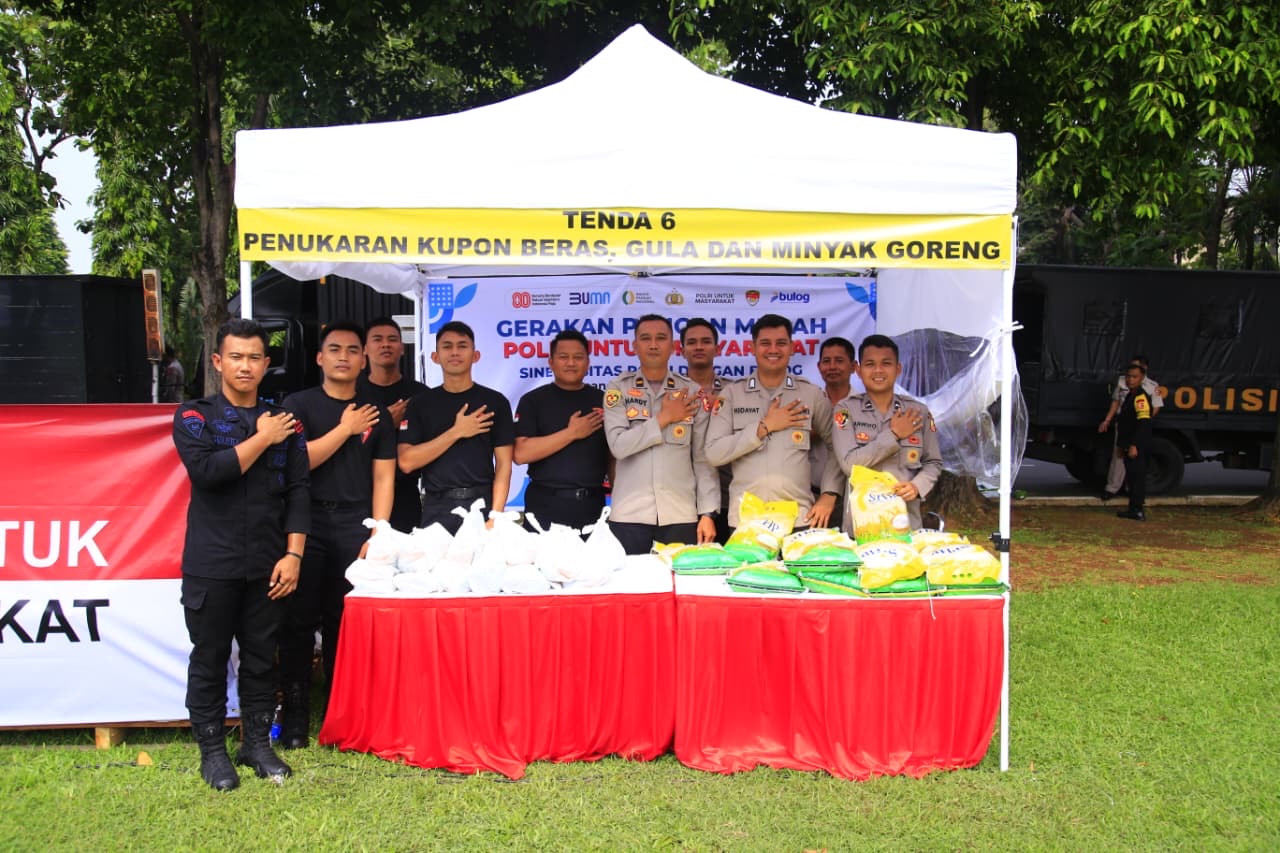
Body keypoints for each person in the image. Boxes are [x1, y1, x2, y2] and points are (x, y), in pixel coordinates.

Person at [171, 318, 309, 790]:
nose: (245, 366)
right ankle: (212, 752)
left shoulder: (286, 422)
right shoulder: (195, 416)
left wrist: (294, 555)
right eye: (235, 357)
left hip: (268, 562)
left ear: (266, 364)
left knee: (260, 658)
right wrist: (263, 438)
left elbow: (299, 490)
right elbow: (209, 472)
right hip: (212, 562)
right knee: (210, 657)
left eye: (254, 358)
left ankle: (257, 744)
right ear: (218, 361)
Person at [278, 321, 396, 749]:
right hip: (305, 524)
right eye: (334, 349)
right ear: (319, 358)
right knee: (297, 621)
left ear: (363, 360)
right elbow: (297, 463)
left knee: (342, 622)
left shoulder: (376, 411)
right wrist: (345, 429)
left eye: (351, 350)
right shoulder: (298, 405)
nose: (343, 357)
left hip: (354, 524)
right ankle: (295, 717)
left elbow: (384, 477)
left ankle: (339, 715)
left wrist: (379, 530)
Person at [706, 314, 843, 530]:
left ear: (792, 347)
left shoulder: (811, 394)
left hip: (798, 518)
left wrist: (829, 493)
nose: (773, 349)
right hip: (746, 520)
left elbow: (839, 446)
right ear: (752, 348)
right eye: (765, 343)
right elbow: (714, 453)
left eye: (781, 343)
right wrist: (763, 428)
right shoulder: (732, 394)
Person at [604, 314, 718, 555]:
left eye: (661, 338)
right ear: (634, 346)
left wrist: (707, 513)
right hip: (630, 514)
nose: (653, 345)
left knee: (680, 579)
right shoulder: (618, 388)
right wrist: (664, 418)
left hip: (680, 514)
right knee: (630, 580)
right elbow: (618, 446)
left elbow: (703, 459)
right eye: (646, 338)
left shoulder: (692, 392)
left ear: (674, 346)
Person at [398, 321, 514, 534]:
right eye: (447, 346)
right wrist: (457, 432)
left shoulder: (495, 402)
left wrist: (495, 515)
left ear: (475, 355)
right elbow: (406, 462)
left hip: (482, 505)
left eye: (462, 346)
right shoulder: (420, 404)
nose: (454, 352)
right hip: (437, 507)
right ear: (435, 356)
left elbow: (504, 463)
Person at [831, 334, 943, 531]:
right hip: (861, 526)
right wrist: (894, 435)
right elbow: (849, 465)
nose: (878, 370)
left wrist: (917, 486)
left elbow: (933, 462)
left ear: (898, 369)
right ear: (858, 370)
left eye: (886, 363)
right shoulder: (846, 410)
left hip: (905, 523)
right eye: (870, 364)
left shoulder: (918, 412)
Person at [513, 329, 611, 531]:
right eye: (563, 357)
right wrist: (571, 433)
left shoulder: (603, 401)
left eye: (578, 357)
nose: (571, 363)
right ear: (551, 362)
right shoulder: (533, 401)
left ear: (588, 362)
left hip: (591, 506)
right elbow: (520, 454)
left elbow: (613, 456)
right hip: (545, 506)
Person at [358, 317, 430, 532]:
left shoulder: (420, 395)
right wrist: (386, 422)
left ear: (402, 348)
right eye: (377, 339)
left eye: (392, 339)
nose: (385, 345)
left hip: (406, 495)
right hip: (359, 495)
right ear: (365, 349)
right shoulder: (354, 393)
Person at [680, 317, 730, 541]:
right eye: (692, 342)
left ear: (717, 349)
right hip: (683, 500)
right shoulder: (672, 392)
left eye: (706, 342)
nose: (699, 347)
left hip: (730, 497)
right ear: (682, 350)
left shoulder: (734, 392)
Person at [1099, 354, 1163, 501]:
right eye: (1130, 368)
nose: (1130, 376)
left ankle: (1132, 492)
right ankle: (1112, 488)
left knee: (1135, 459)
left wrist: (1143, 422)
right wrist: (1107, 420)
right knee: (1119, 457)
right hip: (1123, 425)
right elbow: (1116, 401)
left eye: (1136, 368)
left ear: (1144, 369)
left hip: (1138, 426)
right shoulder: (1123, 381)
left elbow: (1156, 406)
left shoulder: (1152, 386)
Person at [811, 336, 857, 529]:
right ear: (819, 366)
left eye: (839, 361)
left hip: (850, 497)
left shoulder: (863, 407)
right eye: (826, 361)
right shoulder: (809, 403)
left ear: (853, 366)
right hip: (811, 496)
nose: (832, 367)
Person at [1114, 362, 1154, 521]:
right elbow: (1125, 423)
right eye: (1128, 376)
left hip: (1136, 445)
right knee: (1131, 477)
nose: (1130, 379)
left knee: (1137, 478)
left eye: (1134, 377)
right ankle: (1133, 509)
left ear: (1142, 378)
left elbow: (1144, 423)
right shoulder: (1131, 395)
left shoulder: (1140, 397)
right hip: (1128, 443)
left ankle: (1137, 510)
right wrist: (1121, 445)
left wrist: (1134, 445)